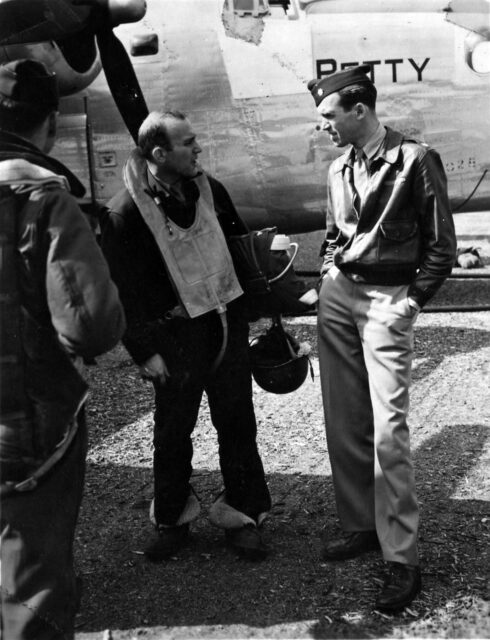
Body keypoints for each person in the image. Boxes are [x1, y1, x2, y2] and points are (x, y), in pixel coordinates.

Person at [308, 65, 456, 612]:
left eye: (328, 117)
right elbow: (332, 236)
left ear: (359, 111)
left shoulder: (415, 160)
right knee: (344, 418)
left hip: (387, 301)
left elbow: (442, 245)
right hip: (340, 297)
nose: (322, 126)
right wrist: (327, 276)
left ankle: (401, 556)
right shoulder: (337, 169)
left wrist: (411, 302)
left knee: (389, 430)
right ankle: (361, 525)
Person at [101, 110, 272, 562]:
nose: (198, 149)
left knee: (237, 423)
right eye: (188, 142)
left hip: (224, 326)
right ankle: (172, 520)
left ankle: (245, 513)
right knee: (173, 433)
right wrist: (143, 351)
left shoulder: (210, 190)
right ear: (160, 153)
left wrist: (262, 313)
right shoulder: (124, 212)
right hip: (174, 338)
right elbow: (122, 292)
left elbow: (239, 248)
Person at [0, 59, 126, 639]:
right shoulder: (41, 197)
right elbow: (92, 327)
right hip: (24, 429)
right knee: (30, 592)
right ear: (50, 124)